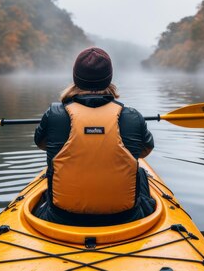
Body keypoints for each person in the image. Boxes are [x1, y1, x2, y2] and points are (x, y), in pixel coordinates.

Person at [33, 47, 156, 226]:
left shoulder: (54, 115)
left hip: (60, 217)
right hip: (126, 218)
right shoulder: (132, 116)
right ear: (109, 78)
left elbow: (42, 143)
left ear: (76, 76)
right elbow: (144, 151)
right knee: (140, 171)